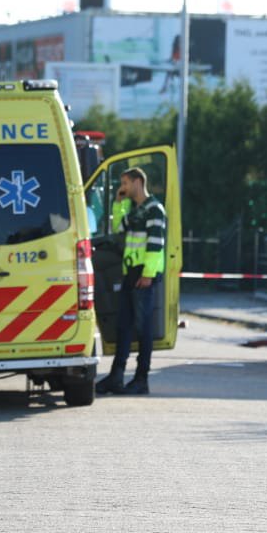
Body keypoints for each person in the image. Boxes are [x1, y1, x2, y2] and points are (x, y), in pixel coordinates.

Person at [96, 166, 166, 396]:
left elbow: (156, 245)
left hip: (143, 275)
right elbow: (118, 229)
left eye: (125, 183)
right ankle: (116, 376)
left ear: (137, 182)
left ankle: (141, 379)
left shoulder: (154, 210)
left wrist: (148, 274)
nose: (122, 187)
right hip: (130, 273)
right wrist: (119, 203)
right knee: (123, 325)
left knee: (142, 328)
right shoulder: (136, 210)